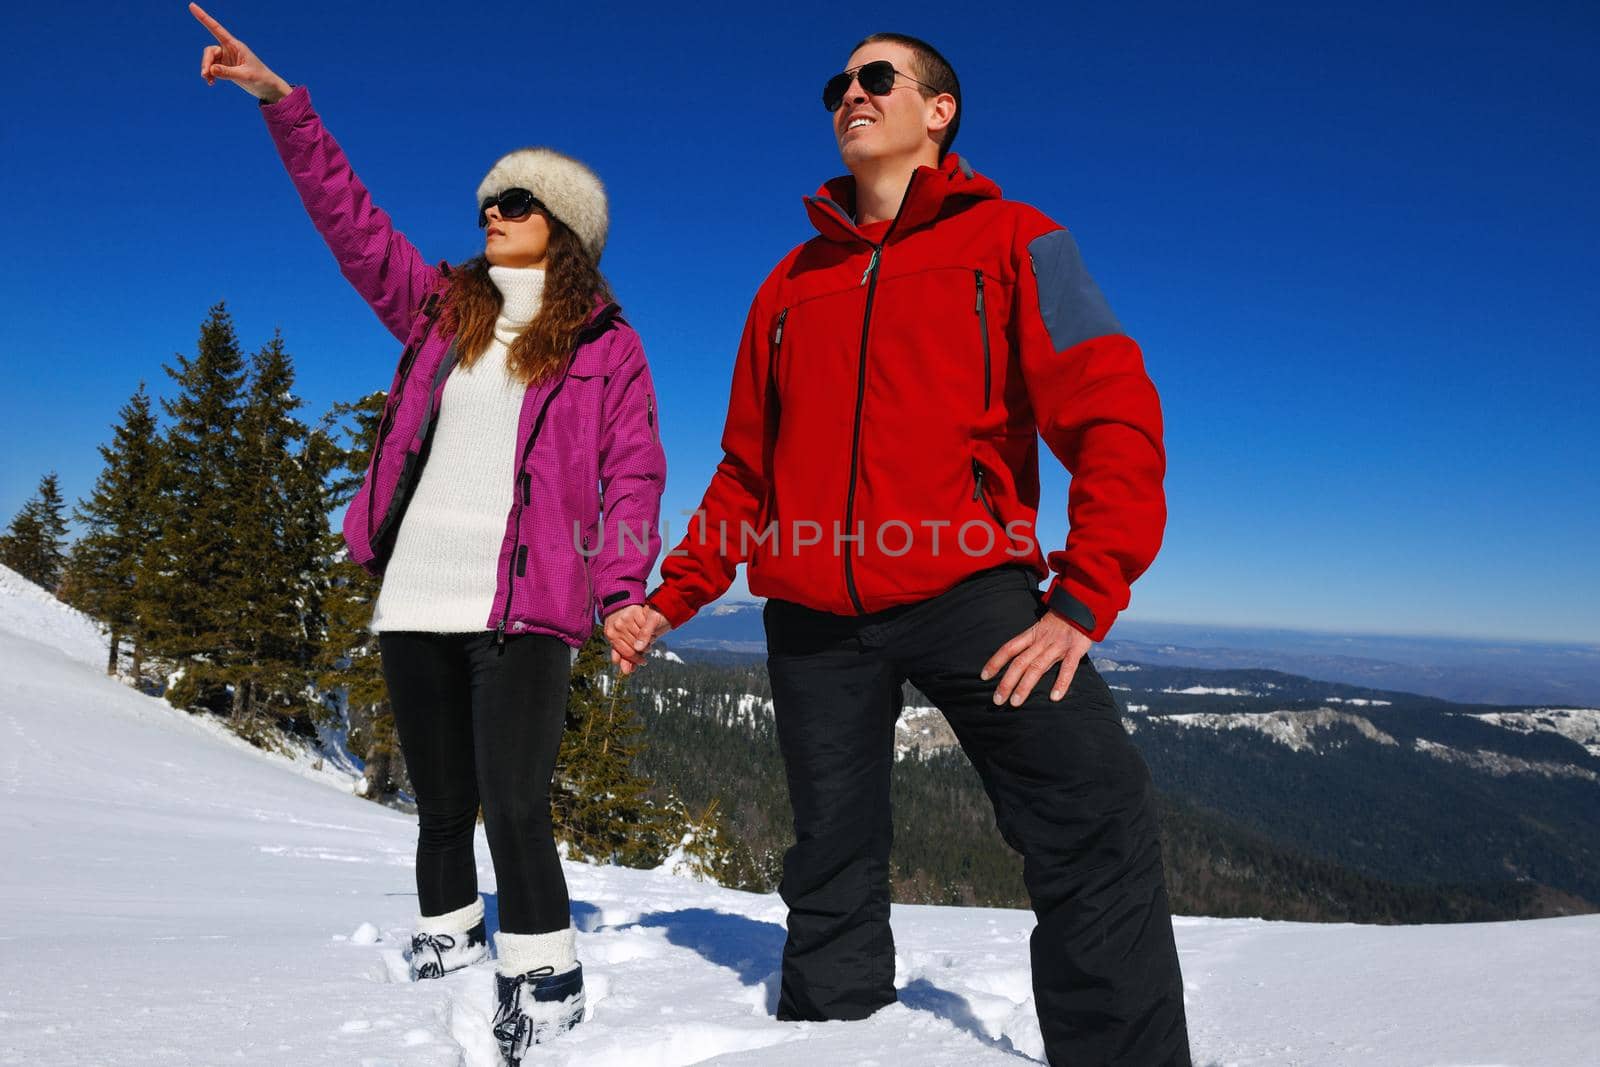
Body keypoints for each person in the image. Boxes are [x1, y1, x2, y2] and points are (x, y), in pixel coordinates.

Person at [610, 32, 1191, 1066]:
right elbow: (746, 468)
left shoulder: (1022, 239)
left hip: (973, 591)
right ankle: (834, 1036)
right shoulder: (786, 284)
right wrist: (675, 594)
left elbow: (1109, 408)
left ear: (940, 111)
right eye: (838, 83)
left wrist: (1083, 591)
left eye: (877, 77)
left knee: (1092, 818)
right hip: (811, 618)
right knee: (830, 850)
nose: (850, 94)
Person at [191, 5, 666, 1061]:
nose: (491, 207)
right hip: (416, 593)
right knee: (442, 802)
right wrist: (282, 104)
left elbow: (632, 470)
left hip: (528, 604)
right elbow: (351, 222)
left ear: (568, 228)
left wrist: (623, 584)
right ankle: (447, 956)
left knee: (514, 798)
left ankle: (545, 975)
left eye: (517, 198)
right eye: (489, 194)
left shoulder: (605, 349)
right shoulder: (439, 310)